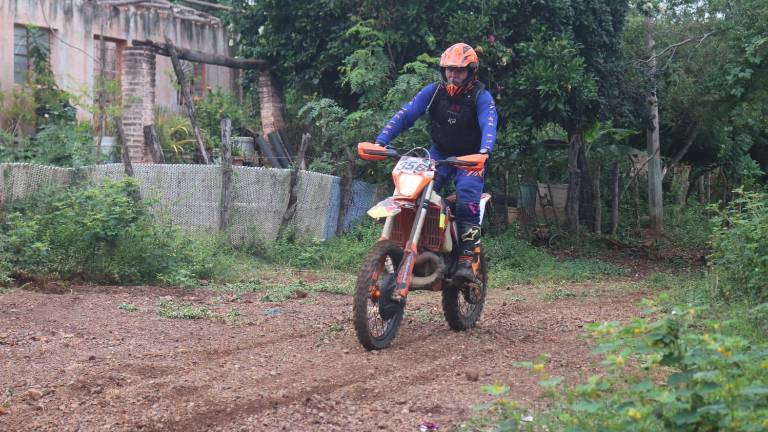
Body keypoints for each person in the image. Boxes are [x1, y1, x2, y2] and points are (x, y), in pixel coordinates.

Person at [373, 42, 498, 283]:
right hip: (439, 153)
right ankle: (413, 245)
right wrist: (381, 141)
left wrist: (484, 151)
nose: (452, 74)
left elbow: (489, 123)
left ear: (471, 71)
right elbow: (407, 114)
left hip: (470, 158)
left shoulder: (481, 96)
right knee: (413, 194)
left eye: (459, 70)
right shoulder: (433, 92)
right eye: (448, 69)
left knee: (467, 201)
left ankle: (466, 258)